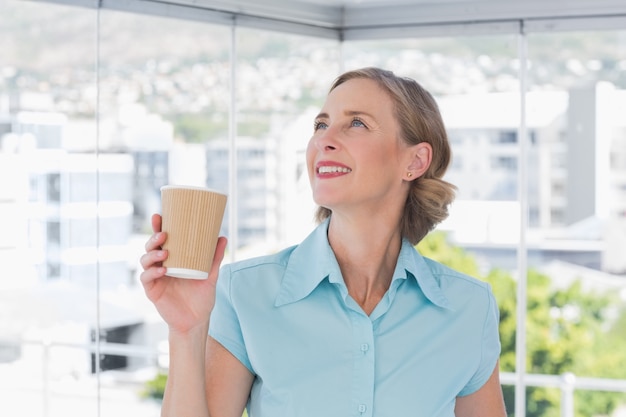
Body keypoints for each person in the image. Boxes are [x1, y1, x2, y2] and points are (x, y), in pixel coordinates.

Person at [140, 67, 506, 417]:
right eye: (321, 124)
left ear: (415, 161)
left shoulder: (468, 309)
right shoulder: (245, 293)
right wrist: (186, 332)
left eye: (357, 123)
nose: (324, 140)